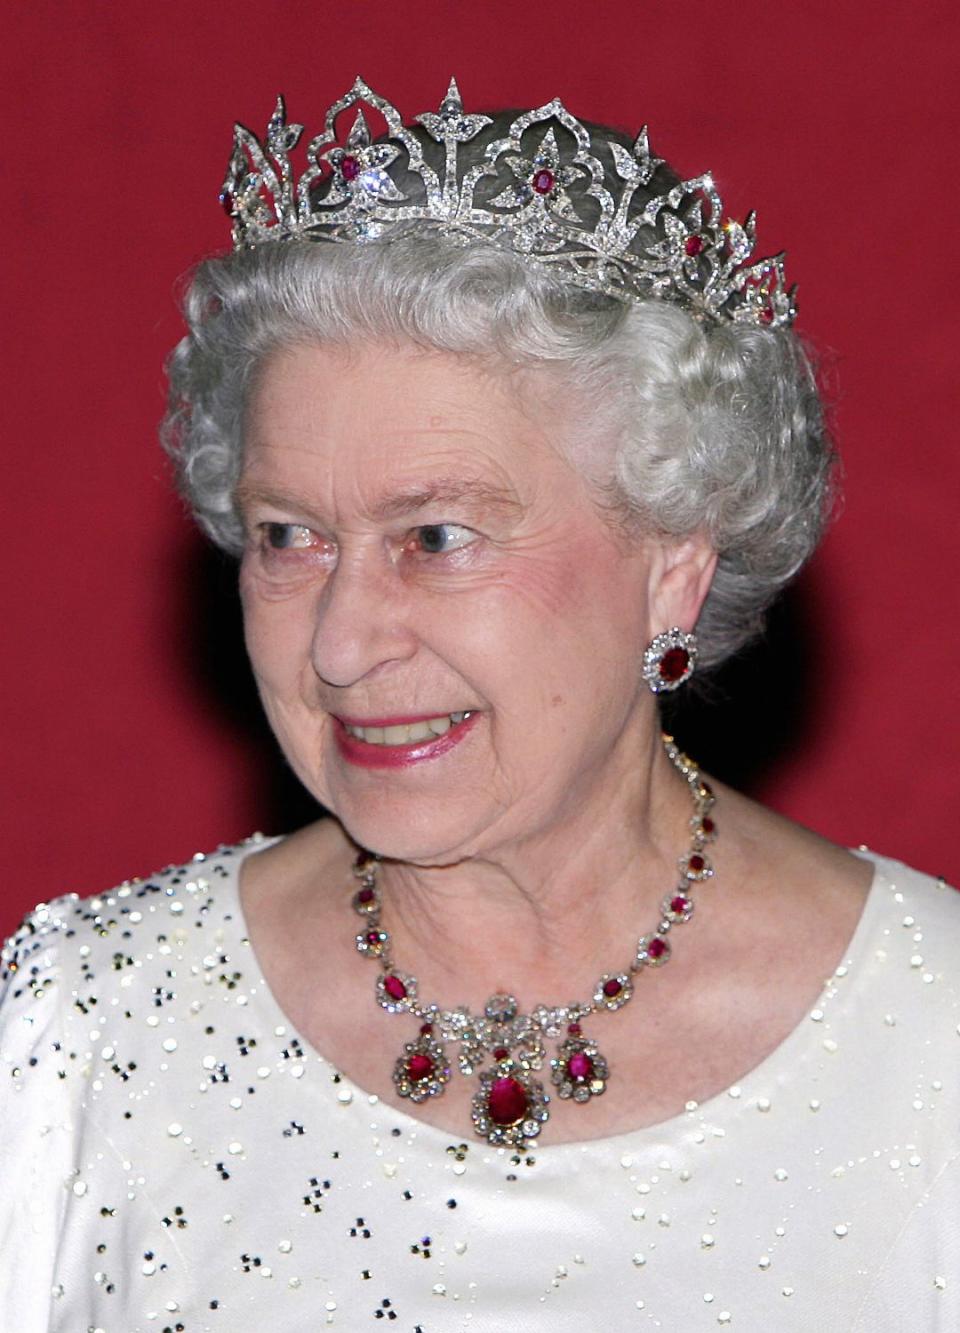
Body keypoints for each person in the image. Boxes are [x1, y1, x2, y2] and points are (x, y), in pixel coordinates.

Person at [1, 77, 957, 1331]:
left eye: (435, 535)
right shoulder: (86, 1032)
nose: (338, 645)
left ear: (674, 557)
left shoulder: (931, 1040)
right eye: (287, 535)